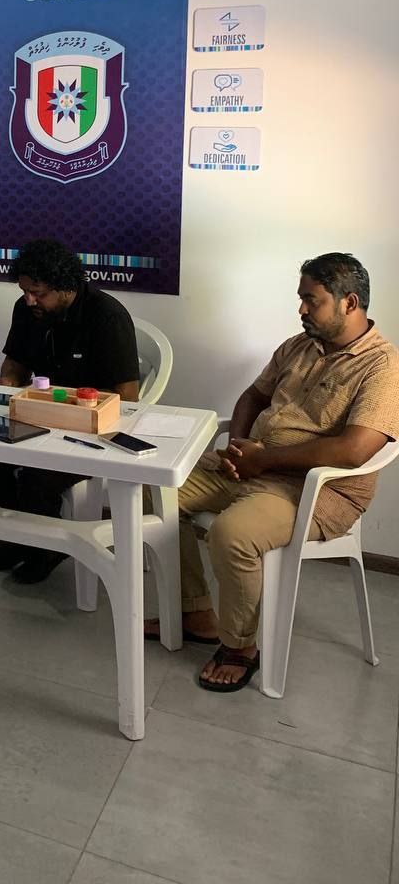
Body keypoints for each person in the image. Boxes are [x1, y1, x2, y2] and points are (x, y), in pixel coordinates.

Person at [146, 253, 399, 692]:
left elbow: (355, 450)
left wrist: (264, 459)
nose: (301, 309)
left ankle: (240, 647)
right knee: (159, 491)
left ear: (349, 302)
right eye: (301, 298)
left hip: (319, 490)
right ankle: (195, 611)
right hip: (254, 466)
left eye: (312, 300)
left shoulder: (382, 366)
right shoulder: (298, 346)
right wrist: (237, 447)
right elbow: (252, 396)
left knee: (232, 534)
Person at [0, 238, 140, 584]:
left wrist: (72, 406)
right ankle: (36, 538)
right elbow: (15, 364)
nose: (30, 300)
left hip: (87, 430)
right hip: (34, 418)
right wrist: (8, 382)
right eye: (25, 291)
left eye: (38, 293)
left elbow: (127, 397)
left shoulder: (107, 316)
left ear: (65, 287)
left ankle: (40, 544)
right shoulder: (26, 310)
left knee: (36, 478)